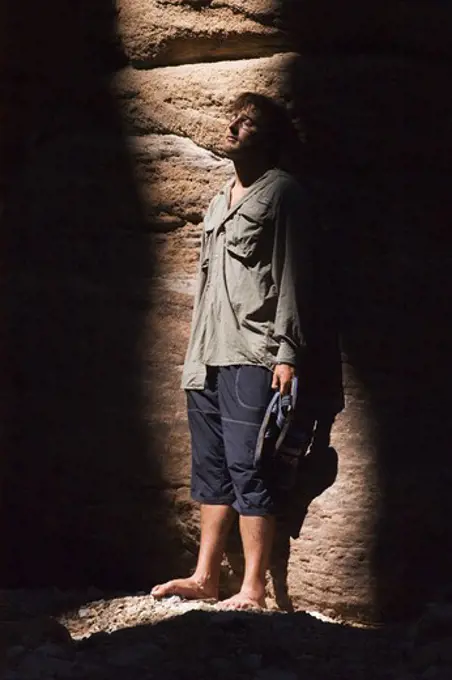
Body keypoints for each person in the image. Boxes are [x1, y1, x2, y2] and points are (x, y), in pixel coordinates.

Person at [152, 92, 313, 610]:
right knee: (211, 469)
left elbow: (294, 274)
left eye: (248, 122)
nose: (233, 128)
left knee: (251, 468)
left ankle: (253, 588)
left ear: (268, 138)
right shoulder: (219, 200)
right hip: (207, 355)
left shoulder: (283, 194)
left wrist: (287, 351)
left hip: (254, 352)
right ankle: (205, 578)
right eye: (233, 119)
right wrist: (192, 356)